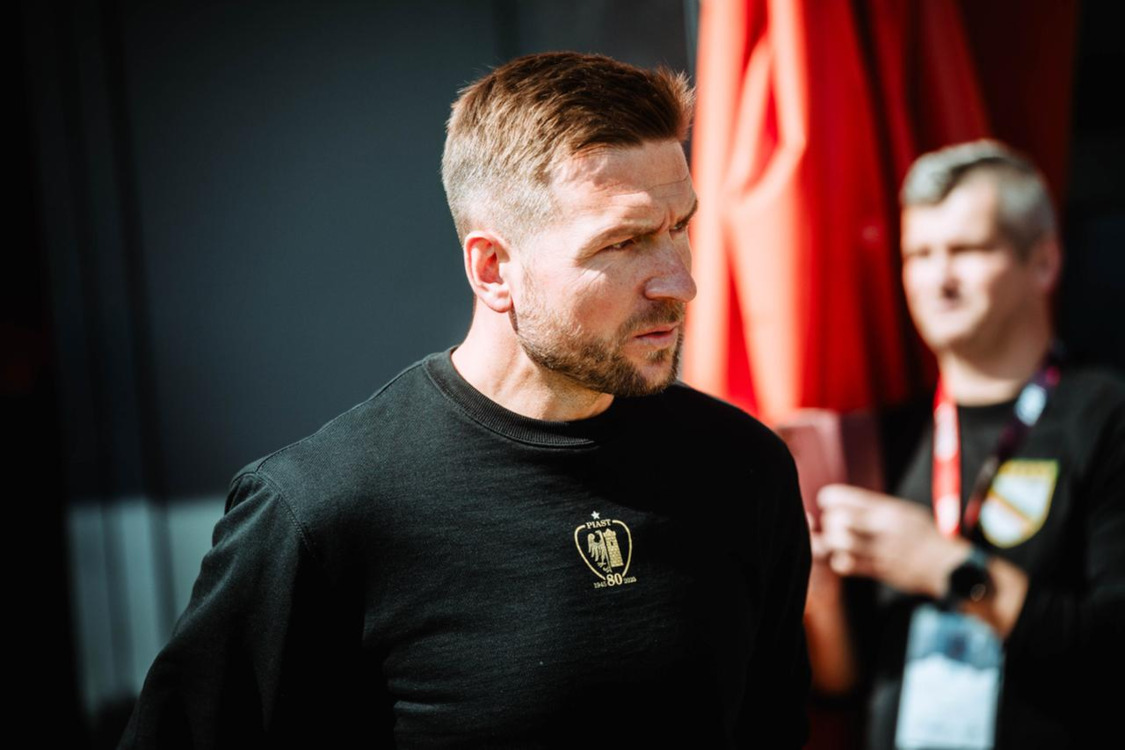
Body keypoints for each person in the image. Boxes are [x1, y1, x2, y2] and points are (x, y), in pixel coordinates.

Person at [120, 52, 812, 748]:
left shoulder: (742, 468)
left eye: (679, 227)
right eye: (624, 241)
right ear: (493, 268)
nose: (679, 282)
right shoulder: (321, 511)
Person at [805, 140, 1125, 749]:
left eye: (967, 250)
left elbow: (1111, 646)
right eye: (919, 254)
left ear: (1044, 262)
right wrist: (820, 601)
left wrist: (948, 568)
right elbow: (845, 686)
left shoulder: (1104, 415)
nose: (938, 279)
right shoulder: (887, 436)